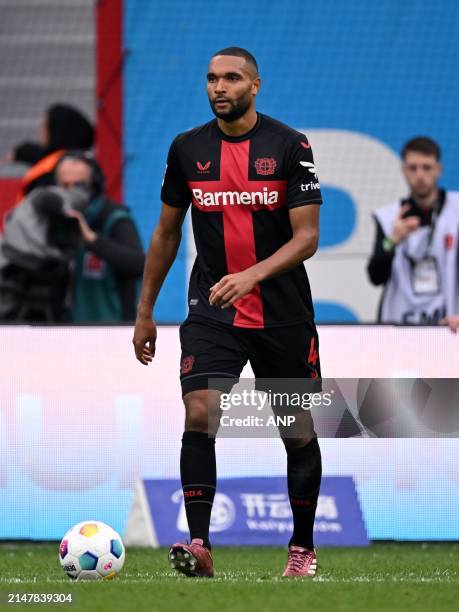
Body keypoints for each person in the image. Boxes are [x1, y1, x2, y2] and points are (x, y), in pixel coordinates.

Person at [133, 47, 323, 578]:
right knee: (199, 410)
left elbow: (307, 237)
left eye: (232, 78)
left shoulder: (289, 145)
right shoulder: (186, 149)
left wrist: (252, 275)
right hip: (212, 311)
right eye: (212, 78)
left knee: (297, 428)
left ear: (255, 85)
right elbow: (167, 233)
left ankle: (302, 549)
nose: (220, 87)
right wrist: (145, 312)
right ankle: (199, 545)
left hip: (281, 314)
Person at [0, 151, 144, 322]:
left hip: (110, 331)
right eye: (65, 186)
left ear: (94, 186)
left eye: (79, 185)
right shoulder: (45, 219)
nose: (71, 193)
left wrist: (92, 240)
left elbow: (139, 264)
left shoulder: (113, 218)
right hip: (64, 331)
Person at [367, 136, 459, 325]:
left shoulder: (456, 210)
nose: (419, 175)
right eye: (413, 168)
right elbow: (375, 277)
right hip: (399, 326)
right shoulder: (389, 217)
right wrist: (391, 241)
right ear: (403, 170)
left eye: (426, 167)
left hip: (449, 325)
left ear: (438, 170)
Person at [7, 103, 94, 199]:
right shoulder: (76, 158)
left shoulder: (58, 171)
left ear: (58, 130)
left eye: (46, 126)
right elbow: (36, 153)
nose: (41, 131)